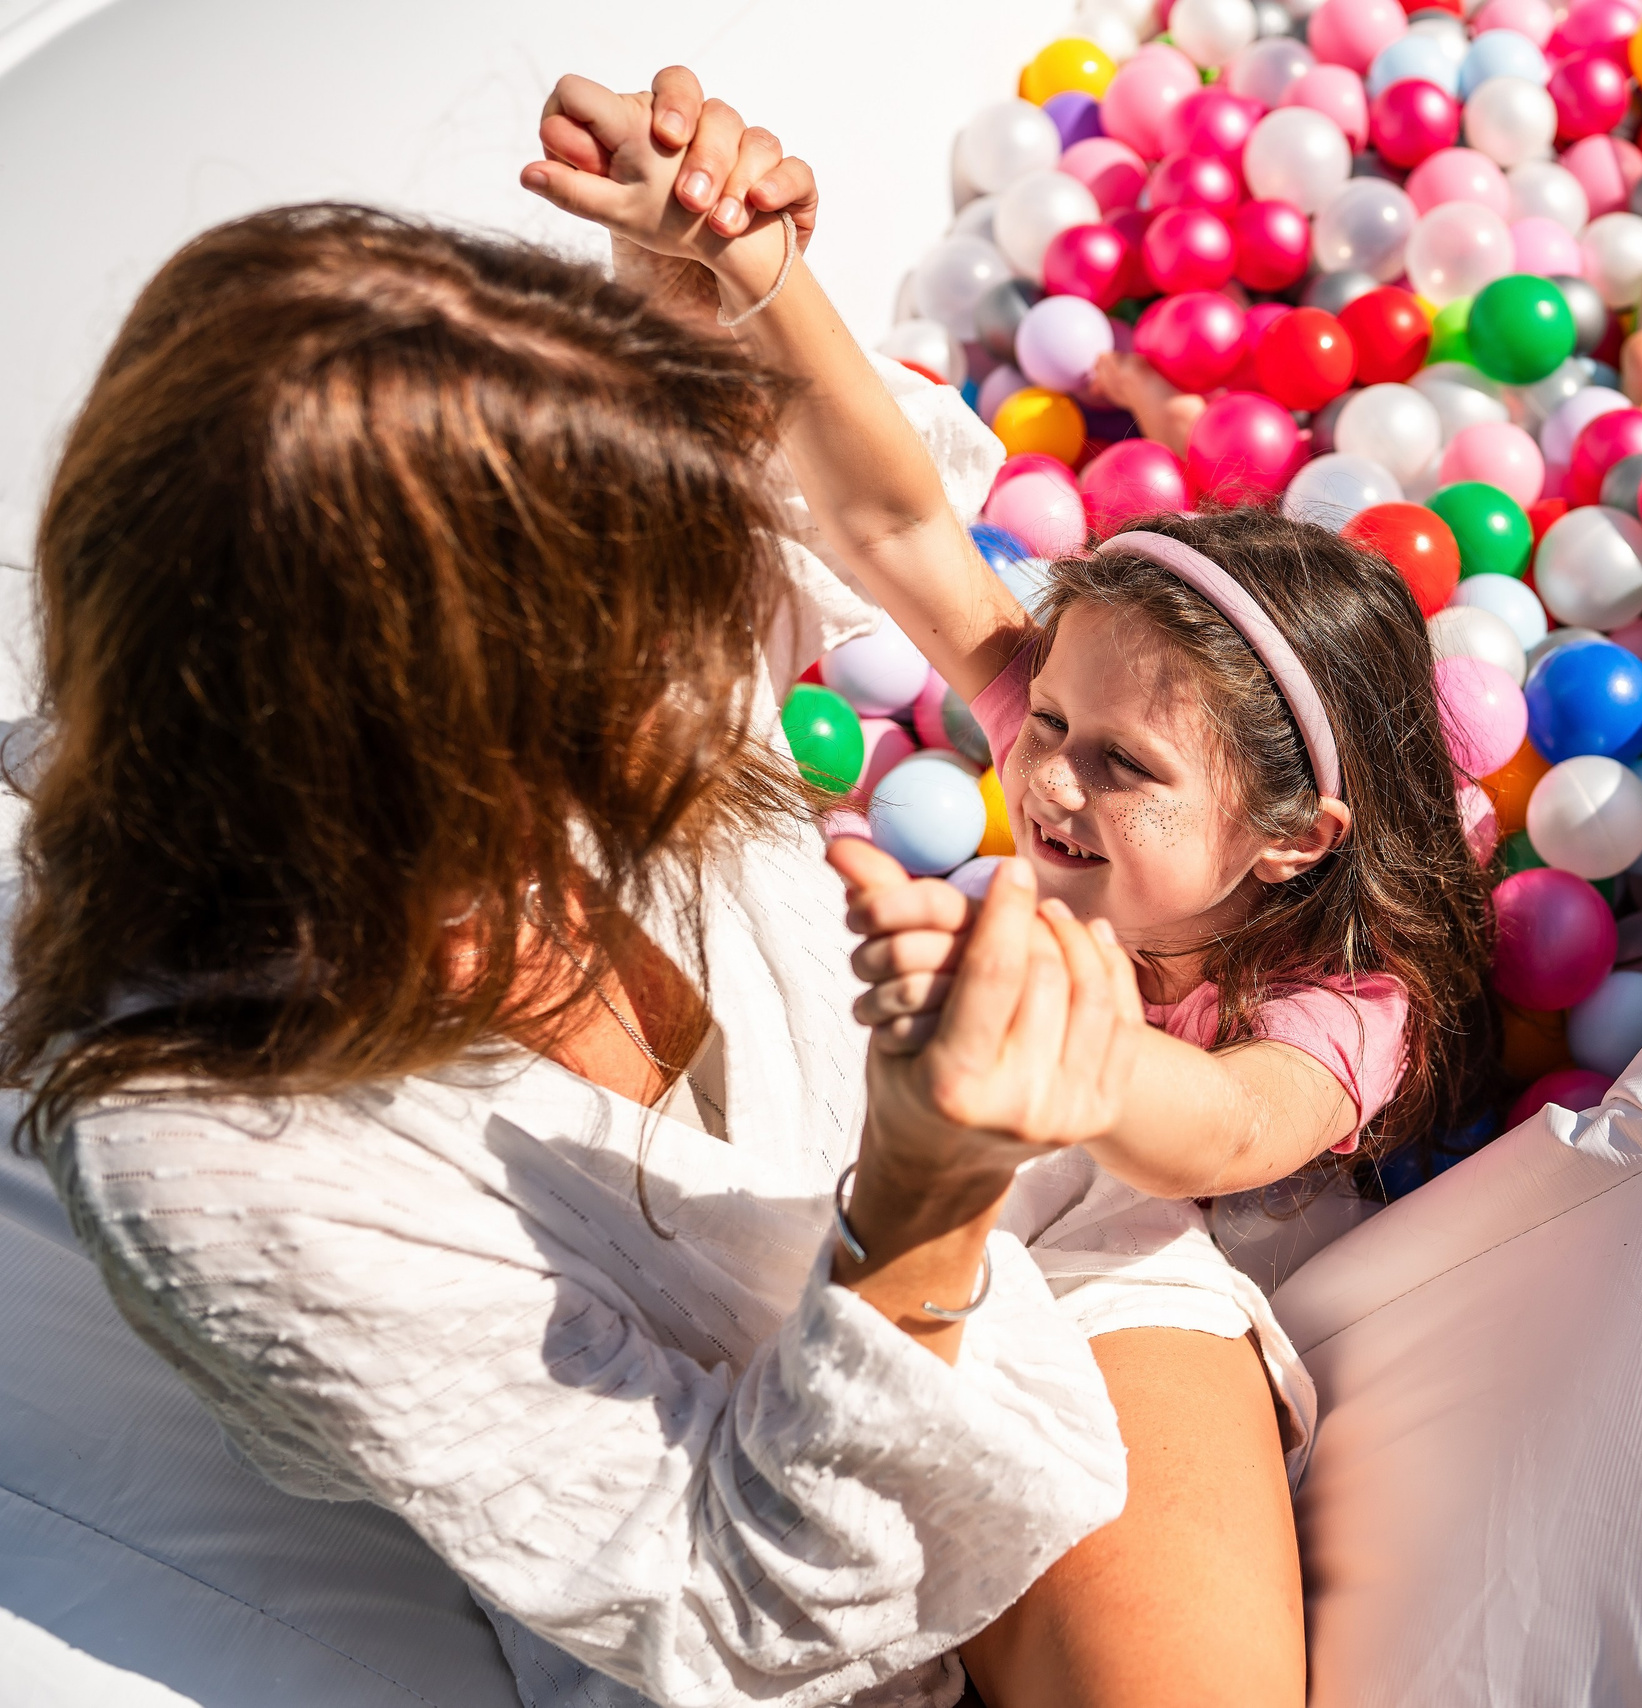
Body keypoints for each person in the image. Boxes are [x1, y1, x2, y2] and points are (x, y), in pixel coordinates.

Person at [0, 120, 1155, 1708]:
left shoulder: (568, 652)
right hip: (789, 1561)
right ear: (428, 731)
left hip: (1023, 1309)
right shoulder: (206, 1153)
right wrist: (921, 1201)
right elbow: (724, 1609)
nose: (708, 653)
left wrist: (712, 303)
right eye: (640, 622)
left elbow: (864, 516)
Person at [519, 69, 1503, 1705]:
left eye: (1123, 767)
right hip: (965, 1185)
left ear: (1292, 840)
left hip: (1140, 1249)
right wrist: (763, 274)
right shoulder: (1072, 774)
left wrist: (1075, 1060)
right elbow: (900, 517)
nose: (1045, 775)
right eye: (1048, 719)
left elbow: (1228, 1134)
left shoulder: (1349, 998)